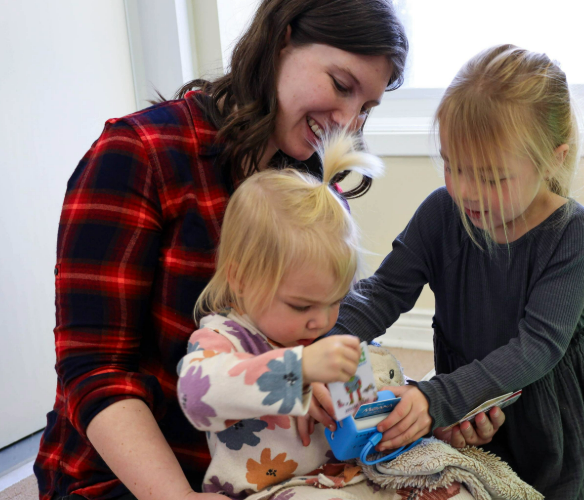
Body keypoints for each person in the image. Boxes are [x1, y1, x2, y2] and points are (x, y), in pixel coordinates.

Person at [34, 2, 410, 499]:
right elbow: (95, 368)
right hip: (131, 475)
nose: (348, 121)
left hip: (262, 471)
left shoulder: (314, 193)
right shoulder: (139, 154)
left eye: (366, 107)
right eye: (341, 85)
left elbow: (310, 338)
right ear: (282, 39)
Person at [323, 45, 584, 498]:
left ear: (553, 158)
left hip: (558, 417)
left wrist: (438, 399)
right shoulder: (441, 212)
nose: (467, 191)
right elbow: (384, 294)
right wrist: (313, 346)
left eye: (491, 177)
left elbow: (536, 348)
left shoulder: (571, 231)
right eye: (452, 166)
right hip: (473, 394)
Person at [176, 133, 384, 497]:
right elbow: (195, 396)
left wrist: (380, 403)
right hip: (269, 491)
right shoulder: (221, 339)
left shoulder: (320, 338)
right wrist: (299, 368)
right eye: (301, 306)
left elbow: (362, 413)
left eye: (334, 301)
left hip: (340, 475)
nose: (320, 321)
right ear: (240, 279)